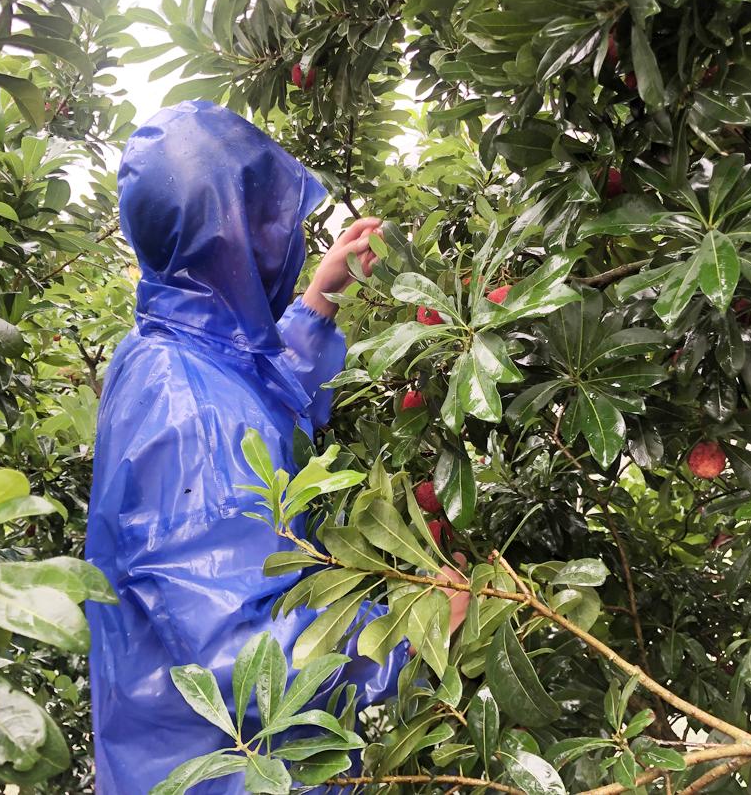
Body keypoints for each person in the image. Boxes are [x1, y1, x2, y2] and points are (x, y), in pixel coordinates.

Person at [85, 101, 466, 794]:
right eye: (263, 220)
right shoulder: (186, 409)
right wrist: (410, 632)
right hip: (223, 773)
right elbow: (242, 654)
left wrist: (318, 302)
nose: (278, 238)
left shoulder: (165, 349)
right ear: (226, 236)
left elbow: (253, 393)